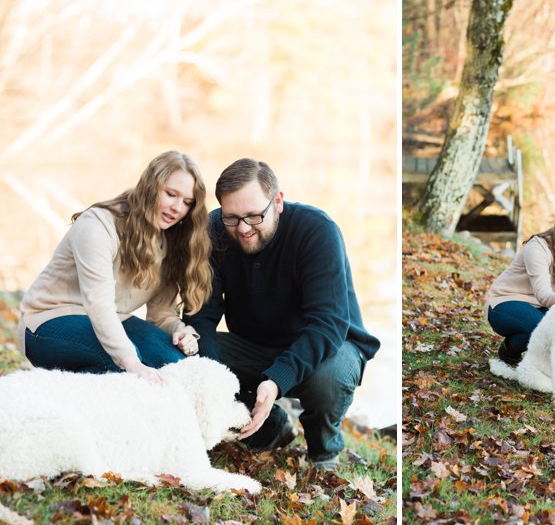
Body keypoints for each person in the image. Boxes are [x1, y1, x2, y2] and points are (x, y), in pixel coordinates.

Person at [185, 158, 380, 471]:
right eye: (232, 218)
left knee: (329, 377)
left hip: (328, 346)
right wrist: (208, 376)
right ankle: (268, 427)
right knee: (184, 351)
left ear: (277, 201)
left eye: (253, 216)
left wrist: (277, 381)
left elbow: (326, 324)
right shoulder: (216, 230)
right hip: (254, 345)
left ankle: (323, 453)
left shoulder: (317, 231)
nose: (243, 228)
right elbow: (202, 314)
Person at [19, 151, 212, 384]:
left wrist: (181, 333)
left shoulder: (171, 240)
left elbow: (161, 314)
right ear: (150, 187)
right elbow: (98, 305)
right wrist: (132, 363)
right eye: (171, 194)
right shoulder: (98, 225)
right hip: (50, 319)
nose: (177, 208)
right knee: (125, 369)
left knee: (179, 367)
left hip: (117, 319)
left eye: (187, 202)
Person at [486, 197, 555, 366]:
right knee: (544, 329)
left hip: (545, 306)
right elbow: (542, 292)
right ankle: (510, 351)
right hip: (506, 302)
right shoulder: (539, 246)